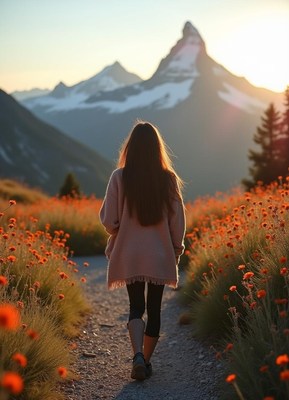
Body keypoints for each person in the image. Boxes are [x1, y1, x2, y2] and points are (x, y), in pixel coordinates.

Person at [99, 120, 186, 381]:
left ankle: (136, 356)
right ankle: (145, 362)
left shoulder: (119, 177)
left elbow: (108, 220)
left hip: (129, 254)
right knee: (155, 308)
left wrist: (120, 230)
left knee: (135, 306)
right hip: (159, 254)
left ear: (131, 148)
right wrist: (176, 249)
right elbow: (177, 222)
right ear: (157, 149)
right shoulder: (168, 180)